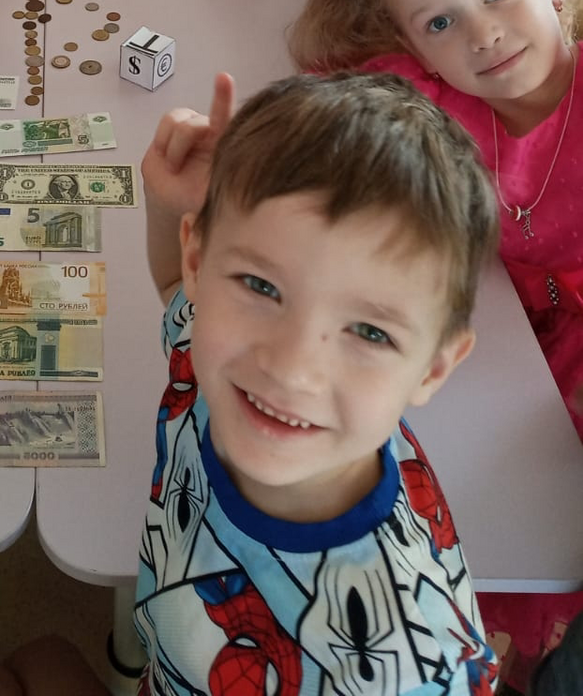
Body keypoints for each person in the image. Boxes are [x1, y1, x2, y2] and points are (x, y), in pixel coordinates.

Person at [138, 70, 499, 694]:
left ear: (433, 369)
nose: (291, 368)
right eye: (260, 286)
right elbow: (178, 291)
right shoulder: (212, 363)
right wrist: (172, 203)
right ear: (201, 259)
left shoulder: (404, 672)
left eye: (370, 332)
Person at [348, 0, 583, 685]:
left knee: (535, 523)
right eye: (439, 23)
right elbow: (336, 91)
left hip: (563, 364)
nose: (481, 34)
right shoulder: (442, 98)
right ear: (415, 49)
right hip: (500, 337)